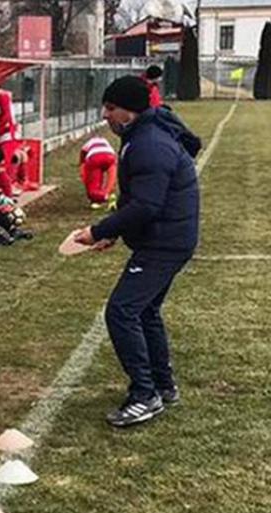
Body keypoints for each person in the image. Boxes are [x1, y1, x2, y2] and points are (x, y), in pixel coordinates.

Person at [72, 75, 200, 428]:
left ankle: (145, 395)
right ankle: (163, 385)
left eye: (111, 108)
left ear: (129, 111)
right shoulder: (142, 136)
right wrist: (115, 232)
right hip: (167, 238)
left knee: (122, 311)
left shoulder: (149, 144)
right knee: (145, 311)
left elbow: (146, 206)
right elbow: (140, 200)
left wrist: (98, 230)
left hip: (165, 242)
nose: (105, 115)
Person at [79, 135, 118, 209]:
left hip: (94, 158)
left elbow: (82, 154)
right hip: (110, 156)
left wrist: (82, 166)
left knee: (93, 186)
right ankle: (109, 194)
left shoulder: (88, 143)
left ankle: (101, 198)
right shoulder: (105, 141)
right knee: (111, 182)